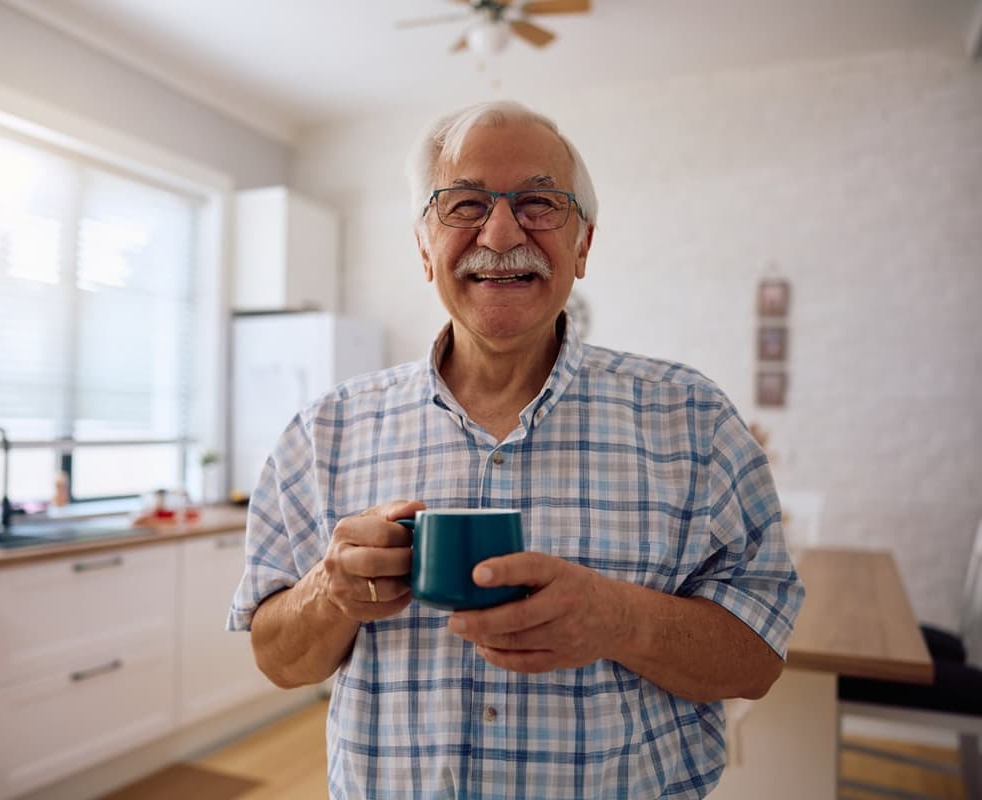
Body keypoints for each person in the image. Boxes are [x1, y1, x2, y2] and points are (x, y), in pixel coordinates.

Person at [228, 100, 804, 799]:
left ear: (584, 244)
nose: (500, 233)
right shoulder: (323, 433)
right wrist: (331, 592)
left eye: (538, 202)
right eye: (464, 204)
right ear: (422, 247)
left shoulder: (694, 420)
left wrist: (616, 618)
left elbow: (757, 661)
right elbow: (278, 659)